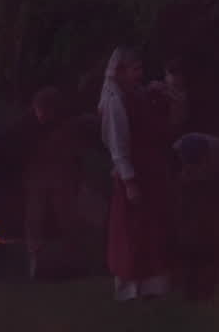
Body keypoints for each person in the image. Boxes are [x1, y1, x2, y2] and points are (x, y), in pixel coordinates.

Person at [100, 47, 174, 301]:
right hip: (133, 172)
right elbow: (118, 144)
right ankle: (131, 287)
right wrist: (129, 180)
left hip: (150, 170)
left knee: (151, 228)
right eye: (134, 69)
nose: (139, 74)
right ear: (120, 72)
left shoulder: (135, 96)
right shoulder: (115, 101)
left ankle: (153, 285)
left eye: (140, 69)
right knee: (131, 231)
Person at [23, 86, 98, 280]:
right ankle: (36, 261)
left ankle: (73, 263)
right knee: (35, 219)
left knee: (67, 219)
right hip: (39, 180)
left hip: (62, 180)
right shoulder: (31, 126)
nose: (38, 113)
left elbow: (74, 155)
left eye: (41, 109)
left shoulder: (68, 128)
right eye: (36, 109)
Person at [172, 133, 219, 300]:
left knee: (196, 261)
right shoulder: (216, 179)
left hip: (195, 231)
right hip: (206, 230)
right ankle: (201, 291)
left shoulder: (183, 181)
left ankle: (195, 292)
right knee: (204, 260)